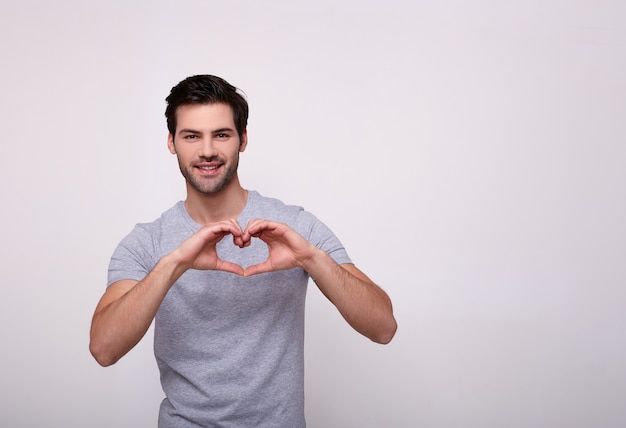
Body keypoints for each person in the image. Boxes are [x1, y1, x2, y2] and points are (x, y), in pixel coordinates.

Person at [89, 74, 397, 427]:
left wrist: (310, 258)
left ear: (243, 139)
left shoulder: (294, 226)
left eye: (221, 134)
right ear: (172, 142)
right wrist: (174, 264)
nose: (207, 150)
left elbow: (383, 327)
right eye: (192, 136)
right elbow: (103, 349)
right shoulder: (147, 242)